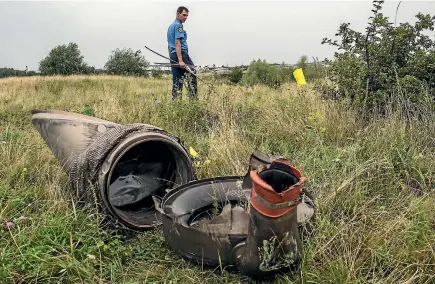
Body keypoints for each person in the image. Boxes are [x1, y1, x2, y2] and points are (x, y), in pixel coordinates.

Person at [167, 6, 198, 100]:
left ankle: (176, 103)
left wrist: (171, 59)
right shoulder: (179, 26)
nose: (185, 17)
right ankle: (193, 103)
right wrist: (180, 60)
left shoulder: (170, 26)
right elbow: (177, 42)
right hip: (181, 54)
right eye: (184, 15)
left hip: (173, 54)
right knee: (192, 75)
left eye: (187, 16)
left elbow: (169, 45)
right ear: (178, 14)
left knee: (177, 80)